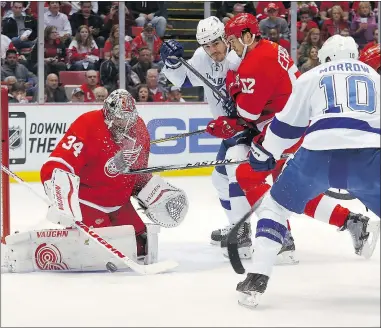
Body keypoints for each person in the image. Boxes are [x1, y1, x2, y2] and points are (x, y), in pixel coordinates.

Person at [237, 35, 380, 308]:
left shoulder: (312, 75)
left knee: (275, 208)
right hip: (370, 158)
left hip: (319, 156)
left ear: (325, 57)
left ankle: (257, 277)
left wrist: (266, 152)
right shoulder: (375, 77)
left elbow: (286, 128)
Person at [214, 13, 371, 260]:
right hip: (291, 124)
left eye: (233, 39)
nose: (231, 45)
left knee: (247, 175)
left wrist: (234, 97)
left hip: (288, 128)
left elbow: (248, 111)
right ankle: (352, 221)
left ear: (247, 36)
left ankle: (281, 237)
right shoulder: (267, 50)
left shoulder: (258, 59)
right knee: (291, 188)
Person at [22, 89, 189, 272]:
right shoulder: (87, 124)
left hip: (119, 201)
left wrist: (151, 191)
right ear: (108, 113)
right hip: (89, 201)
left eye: (128, 119)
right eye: (119, 119)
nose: (125, 125)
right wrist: (61, 194)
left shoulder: (139, 128)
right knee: (104, 253)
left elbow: (137, 173)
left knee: (141, 246)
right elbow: (58, 164)